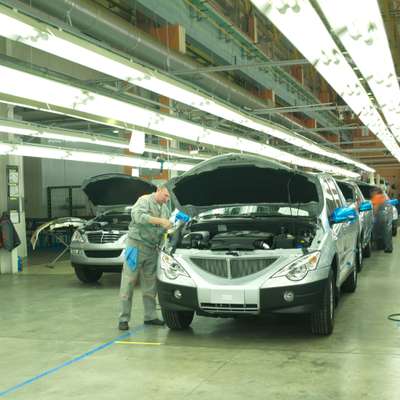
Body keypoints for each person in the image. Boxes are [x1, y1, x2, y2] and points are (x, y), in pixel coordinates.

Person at [118, 185, 172, 330]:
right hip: (135, 247)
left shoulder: (165, 209)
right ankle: (123, 319)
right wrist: (161, 221)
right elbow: (138, 217)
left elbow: (162, 232)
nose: (167, 200)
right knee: (128, 282)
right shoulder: (144, 200)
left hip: (151, 249)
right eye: (165, 196)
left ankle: (150, 316)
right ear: (159, 190)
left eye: (168, 198)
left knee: (150, 284)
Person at [371, 187, 393, 253]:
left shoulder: (377, 197)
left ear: (376, 191)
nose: (371, 193)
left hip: (380, 215)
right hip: (387, 215)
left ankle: (377, 247)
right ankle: (388, 247)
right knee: (387, 232)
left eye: (373, 192)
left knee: (376, 231)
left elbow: (375, 208)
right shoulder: (384, 196)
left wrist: (373, 216)